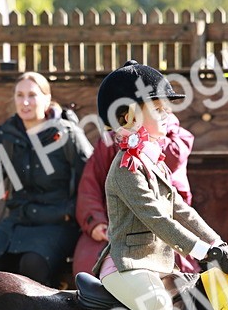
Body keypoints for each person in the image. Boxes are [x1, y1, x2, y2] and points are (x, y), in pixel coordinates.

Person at [96, 60, 228, 310]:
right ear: (128, 117)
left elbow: (181, 211)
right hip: (127, 264)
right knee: (157, 306)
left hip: (159, 264)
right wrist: (202, 251)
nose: (168, 114)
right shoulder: (126, 168)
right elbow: (157, 220)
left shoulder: (153, 162)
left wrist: (218, 243)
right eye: (158, 108)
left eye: (167, 108)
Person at [0, 71, 93, 286]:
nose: (25, 102)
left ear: (47, 99)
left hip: (57, 222)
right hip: (18, 221)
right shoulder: (8, 136)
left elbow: (92, 179)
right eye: (19, 95)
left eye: (32, 95)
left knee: (32, 263)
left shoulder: (67, 134)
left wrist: (78, 215)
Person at [73, 113, 197, 276]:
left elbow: (173, 205)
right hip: (114, 222)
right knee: (87, 263)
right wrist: (95, 222)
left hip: (164, 228)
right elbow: (90, 187)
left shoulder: (173, 143)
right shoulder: (110, 143)